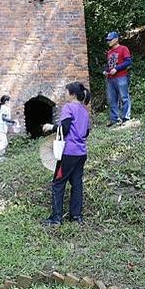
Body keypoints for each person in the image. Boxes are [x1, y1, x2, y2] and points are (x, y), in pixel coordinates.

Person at [41, 82, 91, 226]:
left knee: (58, 183)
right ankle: (76, 216)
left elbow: (65, 129)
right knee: (77, 184)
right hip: (81, 153)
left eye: (66, 92)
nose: (65, 94)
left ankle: (56, 218)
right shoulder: (84, 110)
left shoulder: (68, 108)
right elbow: (86, 132)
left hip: (68, 153)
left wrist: (51, 127)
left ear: (72, 94)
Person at [103, 31, 132, 126]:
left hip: (121, 77)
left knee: (124, 97)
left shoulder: (123, 48)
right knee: (112, 99)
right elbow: (109, 65)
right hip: (110, 79)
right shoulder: (109, 52)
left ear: (116, 39)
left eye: (110, 40)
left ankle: (126, 118)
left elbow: (128, 62)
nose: (109, 42)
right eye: (108, 40)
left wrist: (117, 69)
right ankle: (114, 119)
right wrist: (106, 71)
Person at [0, 95, 17, 162]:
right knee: (4, 143)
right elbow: (4, 118)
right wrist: (13, 121)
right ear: (6, 101)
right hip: (0, 129)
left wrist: (12, 123)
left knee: (1, 144)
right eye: (10, 101)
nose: (10, 102)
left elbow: (4, 119)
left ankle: (1, 158)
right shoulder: (5, 108)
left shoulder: (1, 107)